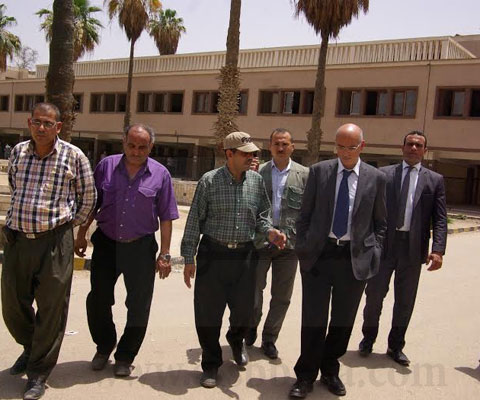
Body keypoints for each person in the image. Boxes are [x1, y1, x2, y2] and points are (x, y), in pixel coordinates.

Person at [1, 102, 96, 400]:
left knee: (52, 309)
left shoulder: (74, 156)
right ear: (30, 123)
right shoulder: (18, 152)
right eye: (37, 122)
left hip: (54, 242)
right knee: (12, 304)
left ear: (58, 127)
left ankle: (38, 373)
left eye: (48, 123)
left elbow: (88, 197)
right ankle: (31, 347)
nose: (41, 128)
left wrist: (67, 227)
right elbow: (15, 186)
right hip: (17, 240)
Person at [181, 131, 286, 389]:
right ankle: (211, 363)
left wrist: (270, 231)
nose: (251, 157)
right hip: (213, 255)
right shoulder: (209, 181)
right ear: (229, 154)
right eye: (245, 153)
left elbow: (262, 215)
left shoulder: (256, 181)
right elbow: (194, 220)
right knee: (208, 313)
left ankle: (236, 340)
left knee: (245, 310)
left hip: (245, 255)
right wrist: (188, 257)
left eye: (253, 153)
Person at [289, 123, 387, 398]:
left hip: (353, 259)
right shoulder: (319, 172)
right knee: (314, 319)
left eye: (351, 147)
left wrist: (375, 251)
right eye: (340, 147)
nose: (345, 152)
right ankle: (305, 376)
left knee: (343, 320)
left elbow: (381, 222)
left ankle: (330, 369)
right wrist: (303, 246)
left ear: (362, 146)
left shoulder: (376, 178)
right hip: (319, 256)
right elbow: (304, 214)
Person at [74, 123, 179, 377]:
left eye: (142, 147)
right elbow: (93, 203)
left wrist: (165, 254)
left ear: (150, 147)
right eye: (131, 145)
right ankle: (104, 345)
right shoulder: (106, 166)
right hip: (106, 244)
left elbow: (166, 216)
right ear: (124, 142)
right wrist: (81, 233)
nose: (136, 151)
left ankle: (125, 355)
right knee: (98, 299)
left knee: (139, 305)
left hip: (141, 247)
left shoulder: (161, 174)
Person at [359, 130, 447, 366]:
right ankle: (368, 338)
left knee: (405, 301)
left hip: (413, 248)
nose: (414, 148)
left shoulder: (435, 180)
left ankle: (395, 346)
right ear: (402, 147)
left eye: (418, 145)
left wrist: (438, 249)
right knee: (374, 296)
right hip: (383, 246)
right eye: (410, 144)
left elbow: (440, 218)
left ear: (425, 150)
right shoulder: (384, 175)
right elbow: (369, 209)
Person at [247, 128, 309, 360]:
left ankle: (270, 338)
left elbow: (309, 210)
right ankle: (250, 328)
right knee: (253, 292)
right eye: (277, 144)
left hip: (289, 246)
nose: (281, 148)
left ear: (293, 147)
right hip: (260, 242)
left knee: (282, 296)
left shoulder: (304, 175)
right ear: (270, 146)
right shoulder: (258, 172)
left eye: (285, 144)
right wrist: (248, 176)